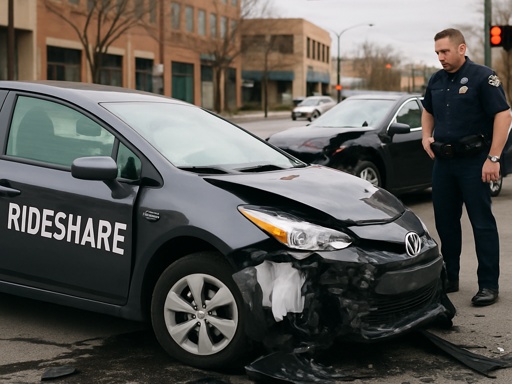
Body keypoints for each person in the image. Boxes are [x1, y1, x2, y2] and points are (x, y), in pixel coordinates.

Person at [421, 28, 511, 307]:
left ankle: (488, 285)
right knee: (446, 224)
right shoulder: (436, 79)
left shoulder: (484, 77)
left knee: (482, 223)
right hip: (444, 163)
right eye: (437, 52)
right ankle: (451, 277)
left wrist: (493, 158)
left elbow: (503, 115)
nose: (440, 57)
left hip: (475, 162)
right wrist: (426, 136)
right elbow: (428, 109)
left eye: (444, 51)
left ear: (461, 49)